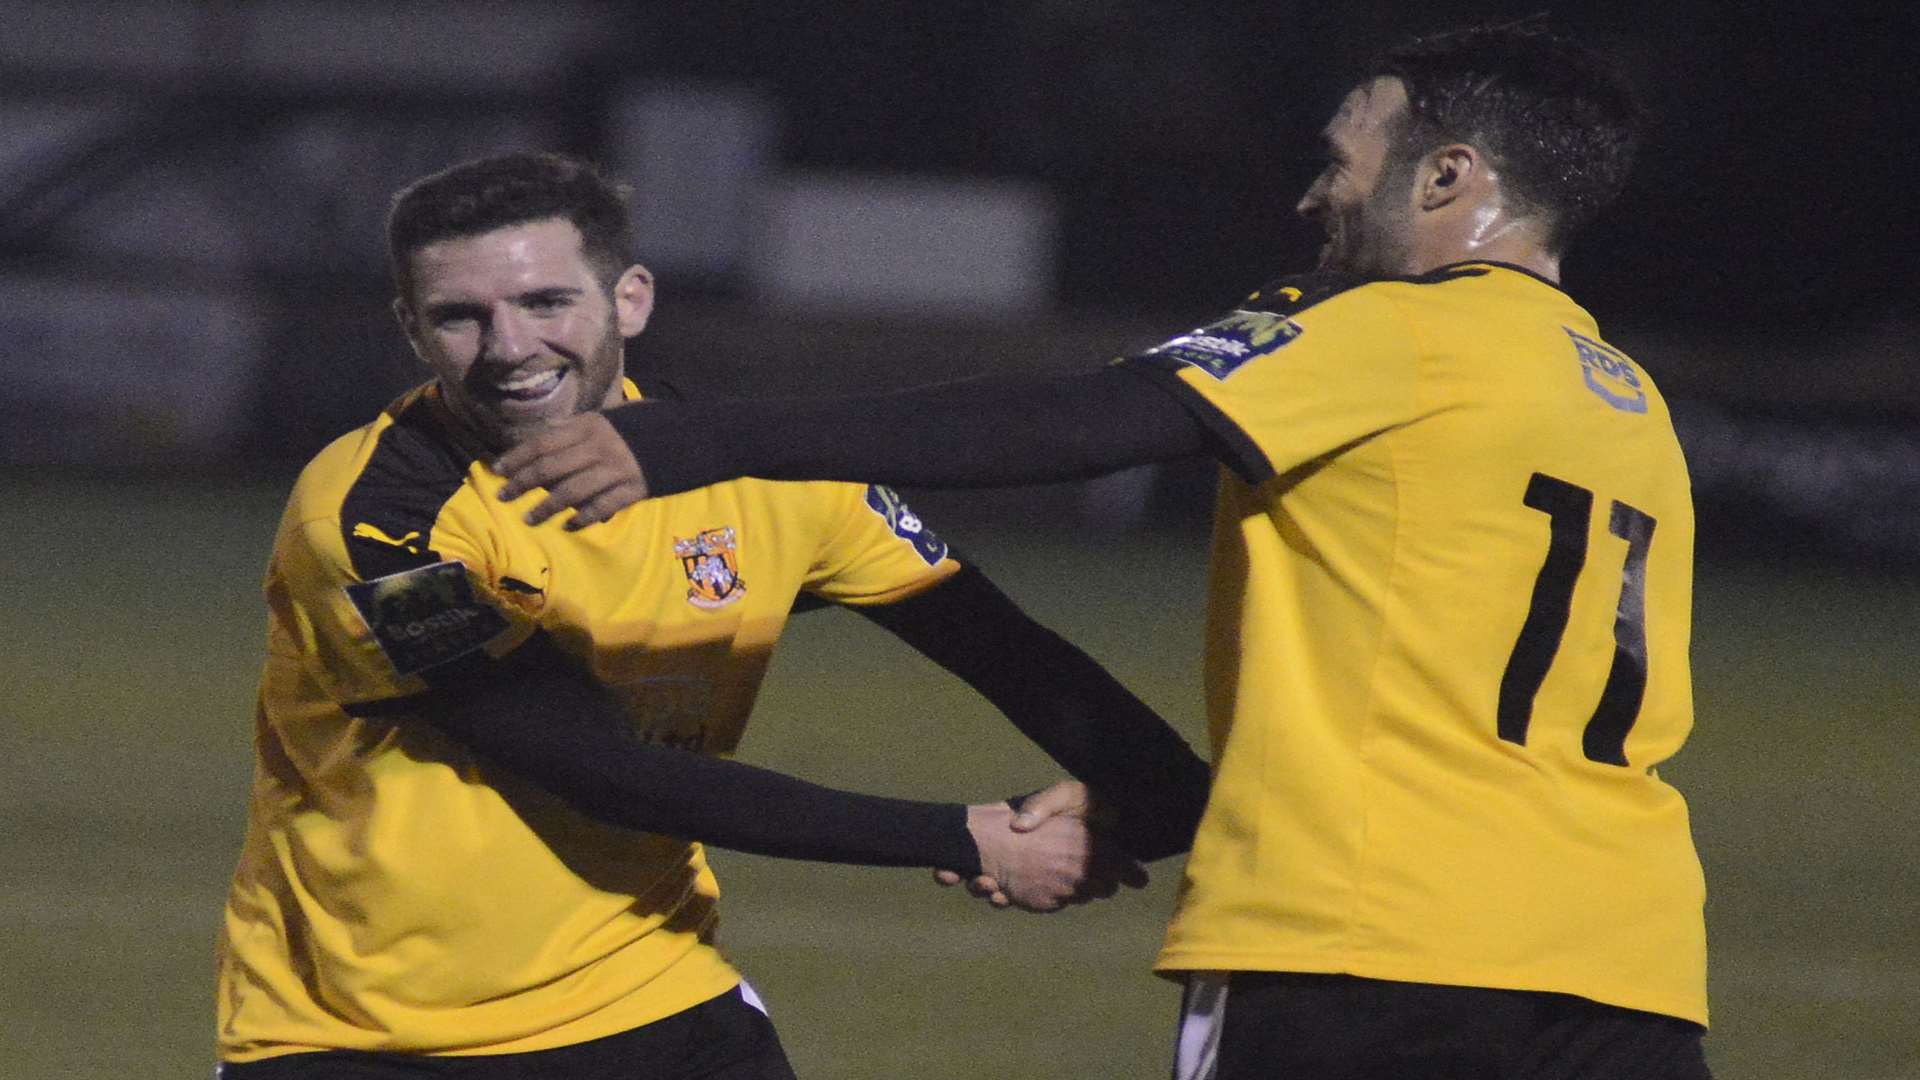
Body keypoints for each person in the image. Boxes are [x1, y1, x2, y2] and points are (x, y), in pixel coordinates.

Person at [494, 22, 1713, 1080]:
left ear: (1448, 176)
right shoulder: (1622, 400)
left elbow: (1076, 422)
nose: (1313, 197)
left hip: (1365, 945)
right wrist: (1162, 800)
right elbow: (1436, 686)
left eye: (1342, 160)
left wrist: (697, 441)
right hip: (1623, 960)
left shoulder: (1398, 327)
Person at [213, 151, 1211, 1079]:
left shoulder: (768, 479)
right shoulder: (371, 520)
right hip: (360, 1035)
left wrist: (1132, 803)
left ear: (630, 298)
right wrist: (962, 835)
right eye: (461, 315)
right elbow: (605, 772)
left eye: (546, 301)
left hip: (647, 992)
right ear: (412, 330)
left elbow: (1014, 656)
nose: (510, 346)